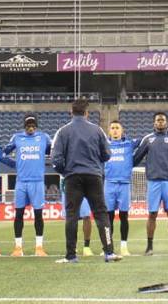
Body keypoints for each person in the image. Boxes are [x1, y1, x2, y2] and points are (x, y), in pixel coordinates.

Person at [49, 96, 120, 264]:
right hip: (94, 176)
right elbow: (107, 155)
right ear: (87, 113)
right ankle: (109, 252)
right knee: (101, 214)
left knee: (72, 216)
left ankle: (71, 255)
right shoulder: (97, 130)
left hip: (73, 176)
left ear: (71, 112)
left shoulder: (63, 131)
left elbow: (56, 159)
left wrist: (65, 171)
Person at [132, 112, 168, 255]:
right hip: (153, 182)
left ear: (167, 123)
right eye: (158, 120)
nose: (160, 122)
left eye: (162, 120)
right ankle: (149, 247)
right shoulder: (148, 139)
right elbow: (135, 159)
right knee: (152, 214)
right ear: (154, 123)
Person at [4, 114, 52, 256]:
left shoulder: (44, 137)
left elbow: (52, 152)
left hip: (37, 181)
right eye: (28, 125)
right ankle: (18, 248)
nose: (30, 127)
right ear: (24, 126)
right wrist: (15, 164)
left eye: (33, 125)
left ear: (36, 125)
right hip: (21, 182)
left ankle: (39, 247)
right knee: (19, 214)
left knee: (38, 214)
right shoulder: (16, 138)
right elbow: (3, 154)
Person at [104, 120, 137, 256]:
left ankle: (124, 246)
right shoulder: (104, 145)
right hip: (109, 184)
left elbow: (146, 141)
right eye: (112, 128)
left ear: (122, 130)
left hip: (124, 184)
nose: (115, 130)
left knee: (124, 216)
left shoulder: (129, 144)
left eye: (117, 128)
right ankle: (108, 246)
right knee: (108, 217)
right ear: (109, 131)